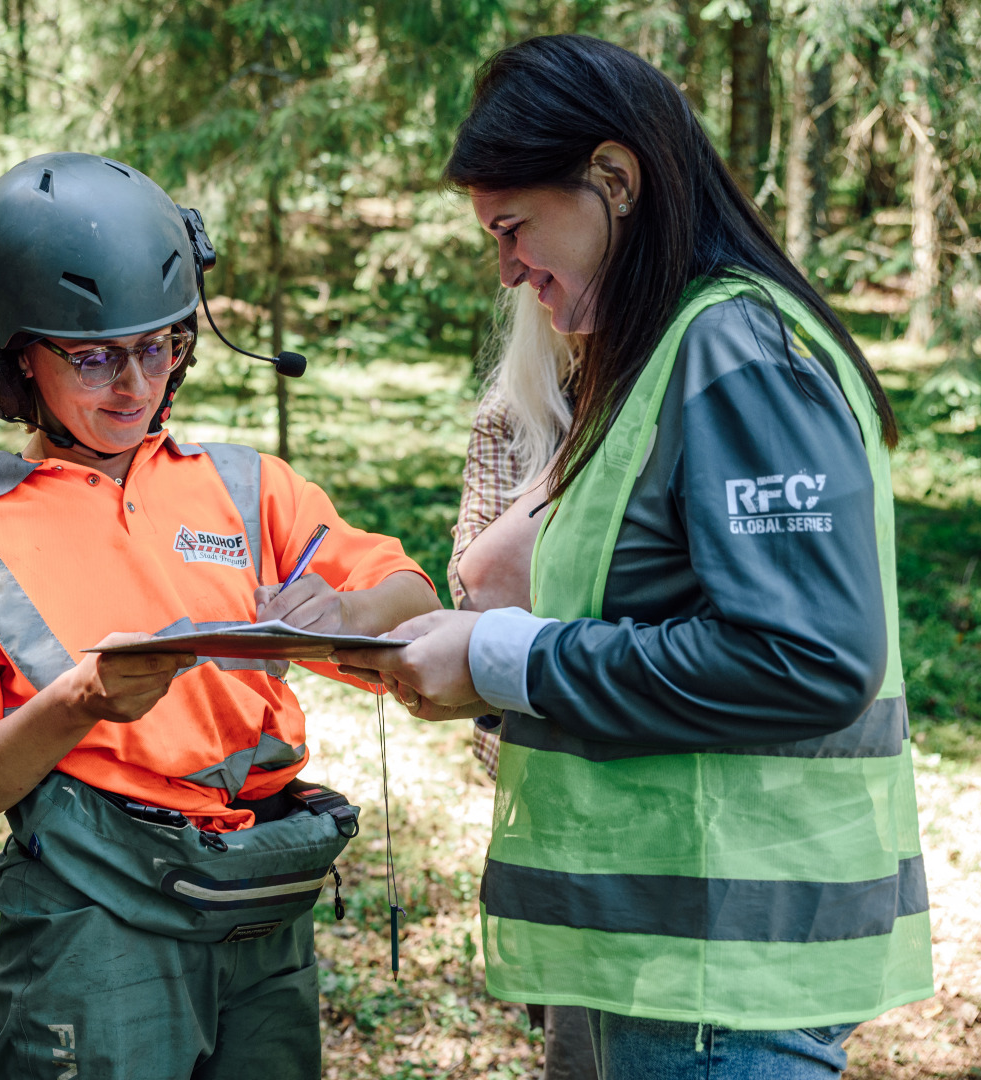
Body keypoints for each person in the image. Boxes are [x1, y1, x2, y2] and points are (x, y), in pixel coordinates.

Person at [338, 35, 933, 1080]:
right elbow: (649, 631)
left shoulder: (733, 349)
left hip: (720, 985)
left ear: (614, 179)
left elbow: (805, 658)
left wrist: (499, 659)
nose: (510, 269)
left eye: (515, 228)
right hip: (672, 970)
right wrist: (480, 660)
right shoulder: (661, 358)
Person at [0, 152, 440, 1078]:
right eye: (94, 356)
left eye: (160, 346)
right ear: (17, 356)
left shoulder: (242, 486)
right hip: (97, 923)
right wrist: (79, 704)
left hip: (262, 900)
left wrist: (344, 607)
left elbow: (411, 599)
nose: (134, 385)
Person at [449, 285, 597, 1080]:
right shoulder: (515, 412)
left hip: (654, 757)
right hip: (541, 763)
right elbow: (474, 588)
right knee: (569, 1013)